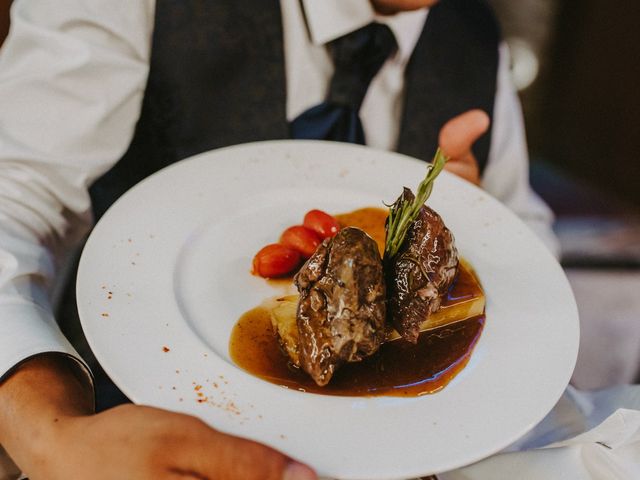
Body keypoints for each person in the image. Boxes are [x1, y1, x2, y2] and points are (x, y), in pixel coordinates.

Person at [0, 0, 558, 479]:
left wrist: (483, 225)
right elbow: (12, 198)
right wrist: (49, 437)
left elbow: (531, 244)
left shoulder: (477, 41)